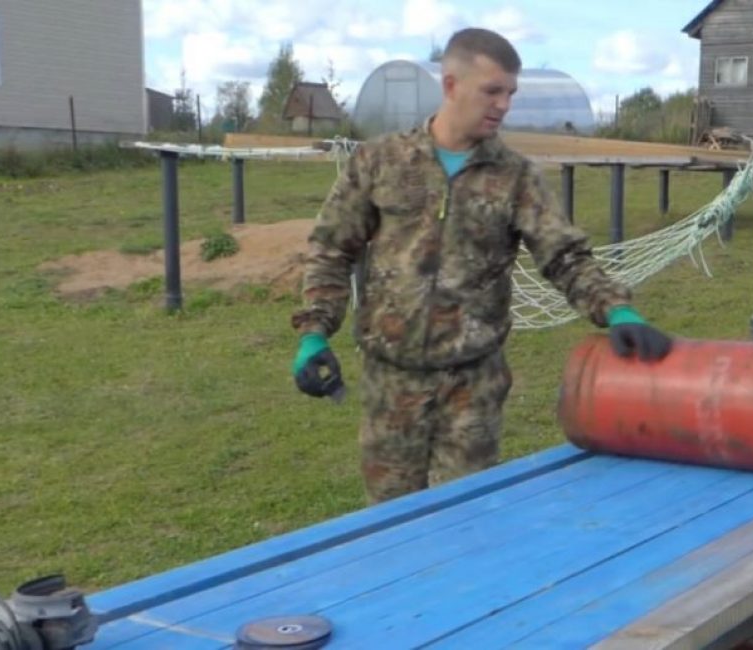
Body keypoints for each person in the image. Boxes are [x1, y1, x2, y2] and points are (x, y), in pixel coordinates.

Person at [288, 28, 673, 504]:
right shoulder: (380, 161)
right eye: (492, 91)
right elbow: (331, 248)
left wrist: (617, 309)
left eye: (510, 93)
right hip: (391, 384)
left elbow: (564, 256)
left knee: (464, 525)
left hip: (473, 387)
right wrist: (313, 332)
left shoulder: (515, 177)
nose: (503, 104)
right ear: (451, 86)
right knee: (389, 530)